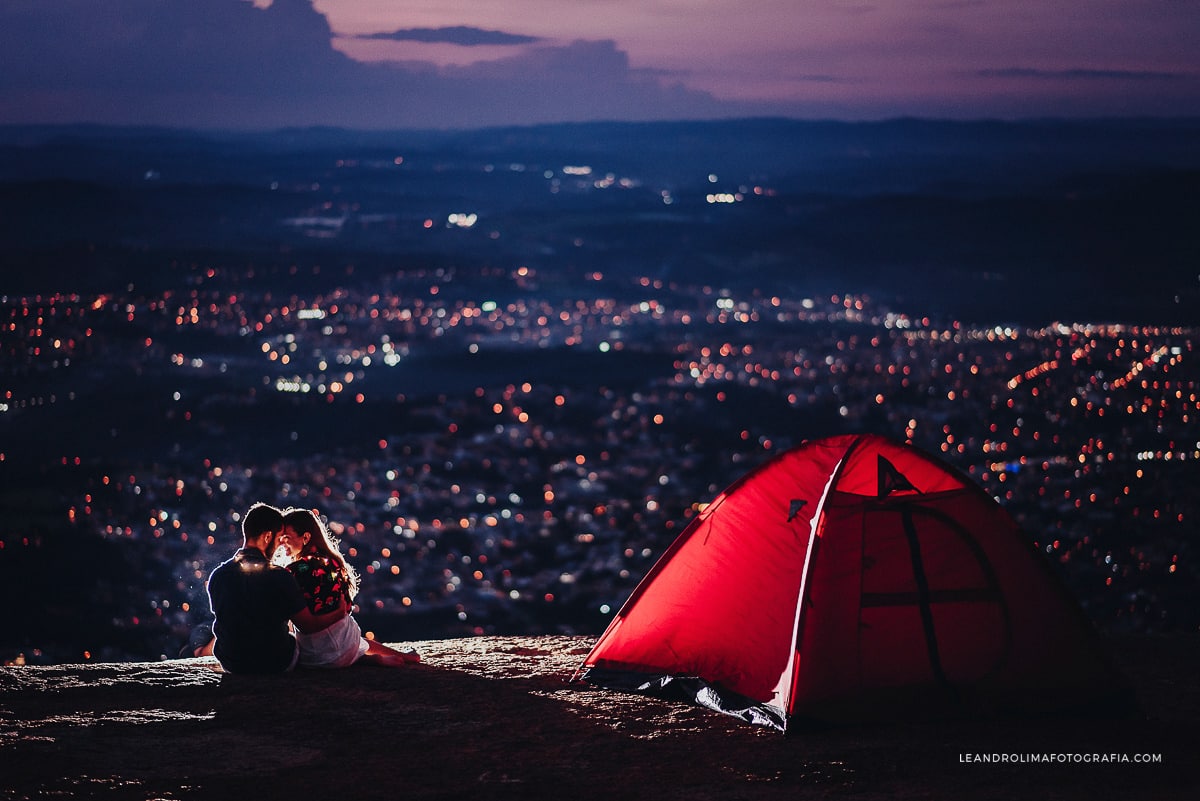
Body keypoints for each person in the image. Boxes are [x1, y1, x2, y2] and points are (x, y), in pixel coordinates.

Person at [205, 502, 347, 673]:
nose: (281, 545)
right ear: (267, 537)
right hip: (275, 662)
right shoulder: (280, 577)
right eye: (280, 538)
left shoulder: (218, 575)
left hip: (231, 662)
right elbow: (309, 625)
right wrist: (340, 612)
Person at [277, 507, 420, 668]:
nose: (281, 543)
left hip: (313, 656)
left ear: (306, 537)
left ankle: (368, 659)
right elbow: (347, 607)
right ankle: (400, 656)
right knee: (353, 639)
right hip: (346, 643)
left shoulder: (292, 571)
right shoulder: (333, 561)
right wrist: (338, 613)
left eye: (286, 537)